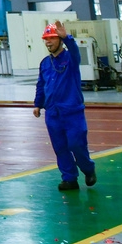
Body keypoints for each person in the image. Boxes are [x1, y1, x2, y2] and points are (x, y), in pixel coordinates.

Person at [33, 20, 96, 192]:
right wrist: (38, 104)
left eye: (52, 38)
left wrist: (67, 37)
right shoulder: (45, 63)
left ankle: (88, 169)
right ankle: (69, 178)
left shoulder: (71, 59)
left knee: (76, 144)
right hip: (53, 113)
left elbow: (75, 50)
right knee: (60, 147)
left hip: (72, 111)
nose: (48, 42)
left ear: (60, 40)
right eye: (46, 39)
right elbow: (41, 84)